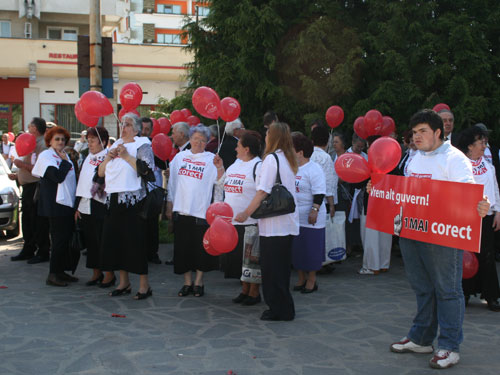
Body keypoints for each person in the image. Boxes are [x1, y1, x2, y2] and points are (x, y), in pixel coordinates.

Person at [390, 109, 490, 369]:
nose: (417, 137)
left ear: (438, 132)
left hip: (444, 237)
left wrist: (480, 205)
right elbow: (407, 193)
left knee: (448, 290)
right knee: (423, 287)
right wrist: (378, 192)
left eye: (422, 131)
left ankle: (449, 346)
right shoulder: (414, 158)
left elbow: (469, 195)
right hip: (412, 232)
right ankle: (422, 338)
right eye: (414, 132)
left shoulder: (454, 158)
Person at [235, 122, 299, 321]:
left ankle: (279, 309)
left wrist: (246, 212)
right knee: (280, 270)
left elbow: (263, 191)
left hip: (274, 225)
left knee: (272, 270)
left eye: (268, 133)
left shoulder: (271, 159)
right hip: (286, 222)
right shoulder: (288, 158)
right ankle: (283, 307)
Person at [98, 113, 155, 300]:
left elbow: (147, 171)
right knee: (116, 242)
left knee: (135, 243)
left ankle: (144, 286)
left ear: (137, 129)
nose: (124, 127)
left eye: (128, 124)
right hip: (113, 200)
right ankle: (124, 282)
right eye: (122, 124)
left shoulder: (142, 144)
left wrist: (127, 156)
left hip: (133, 201)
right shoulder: (114, 145)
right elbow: (99, 173)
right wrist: (108, 158)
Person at [167, 124, 224, 297]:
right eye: (196, 139)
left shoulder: (211, 158)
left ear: (207, 142)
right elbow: (172, 183)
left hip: (201, 212)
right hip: (181, 209)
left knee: (200, 249)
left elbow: (220, 184)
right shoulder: (179, 158)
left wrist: (220, 167)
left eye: (203, 140)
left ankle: (199, 282)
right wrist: (170, 205)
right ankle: (186, 282)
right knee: (183, 249)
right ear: (189, 139)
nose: (199, 143)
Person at [214, 130, 262, 303]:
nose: (235, 148)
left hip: (251, 221)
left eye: (238, 146)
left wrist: (247, 212)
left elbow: (262, 193)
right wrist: (220, 168)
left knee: (252, 259)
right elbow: (223, 183)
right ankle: (244, 290)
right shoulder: (235, 164)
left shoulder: (259, 166)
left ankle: (254, 292)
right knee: (239, 260)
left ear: (247, 149)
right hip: (233, 221)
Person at [456, 126, 500, 311]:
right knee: (467, 257)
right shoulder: (460, 166)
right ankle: (465, 293)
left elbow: (495, 188)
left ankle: (492, 296)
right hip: (467, 219)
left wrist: (498, 211)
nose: (484, 145)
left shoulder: (488, 165)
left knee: (487, 257)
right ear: (469, 145)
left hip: (487, 217)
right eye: (480, 141)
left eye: (484, 141)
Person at [32, 126, 77, 287]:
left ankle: (60, 271)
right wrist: (65, 162)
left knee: (64, 239)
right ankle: (53, 274)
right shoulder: (46, 156)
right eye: (57, 139)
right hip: (55, 204)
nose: (60, 142)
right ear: (49, 141)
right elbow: (57, 177)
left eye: (63, 139)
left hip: (66, 203)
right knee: (58, 240)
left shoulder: (62, 155)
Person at [75, 127, 116, 288]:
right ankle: (96, 271)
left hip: (100, 203)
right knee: (91, 240)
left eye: (93, 141)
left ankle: (109, 273)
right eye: (89, 140)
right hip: (85, 203)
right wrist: (77, 205)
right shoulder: (87, 157)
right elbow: (82, 181)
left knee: (102, 240)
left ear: (103, 142)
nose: (90, 144)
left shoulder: (108, 157)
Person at [9, 117, 51, 264]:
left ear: (36, 128)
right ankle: (28, 248)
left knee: (37, 220)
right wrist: (18, 174)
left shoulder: (42, 145)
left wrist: (21, 165)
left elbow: (40, 169)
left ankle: (43, 251)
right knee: (27, 219)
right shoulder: (30, 142)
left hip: (35, 186)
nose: (27, 127)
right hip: (27, 187)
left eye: (30, 126)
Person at [291, 134, 326, 293]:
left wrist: (315, 210)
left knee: (311, 248)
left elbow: (319, 192)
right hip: (295, 215)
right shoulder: (292, 167)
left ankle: (312, 279)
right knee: (297, 248)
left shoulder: (314, 169)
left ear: (300, 152)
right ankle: (301, 278)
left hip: (312, 215)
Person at [141, 117, 166, 265]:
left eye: (147, 129)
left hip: (153, 190)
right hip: (138, 191)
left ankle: (153, 253)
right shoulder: (134, 145)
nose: (144, 132)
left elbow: (163, 162)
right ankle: (140, 252)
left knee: (152, 224)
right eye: (142, 129)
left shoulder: (154, 145)